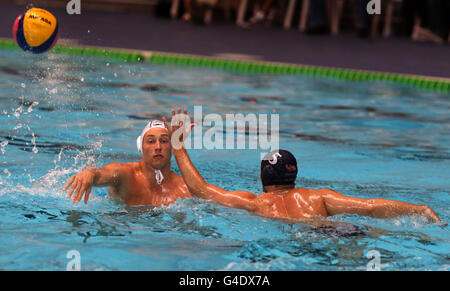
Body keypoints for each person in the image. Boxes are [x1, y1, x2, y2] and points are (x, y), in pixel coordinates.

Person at [164, 108, 440, 223]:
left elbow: (200, 190)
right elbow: (370, 206)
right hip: (335, 234)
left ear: (262, 178)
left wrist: (178, 144)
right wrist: (420, 209)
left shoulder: (257, 203)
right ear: (295, 174)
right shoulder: (319, 197)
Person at [63, 120, 190, 205]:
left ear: (173, 147)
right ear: (140, 147)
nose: (157, 147)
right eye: (151, 142)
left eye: (164, 141)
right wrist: (90, 173)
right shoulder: (125, 174)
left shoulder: (184, 188)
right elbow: (103, 174)